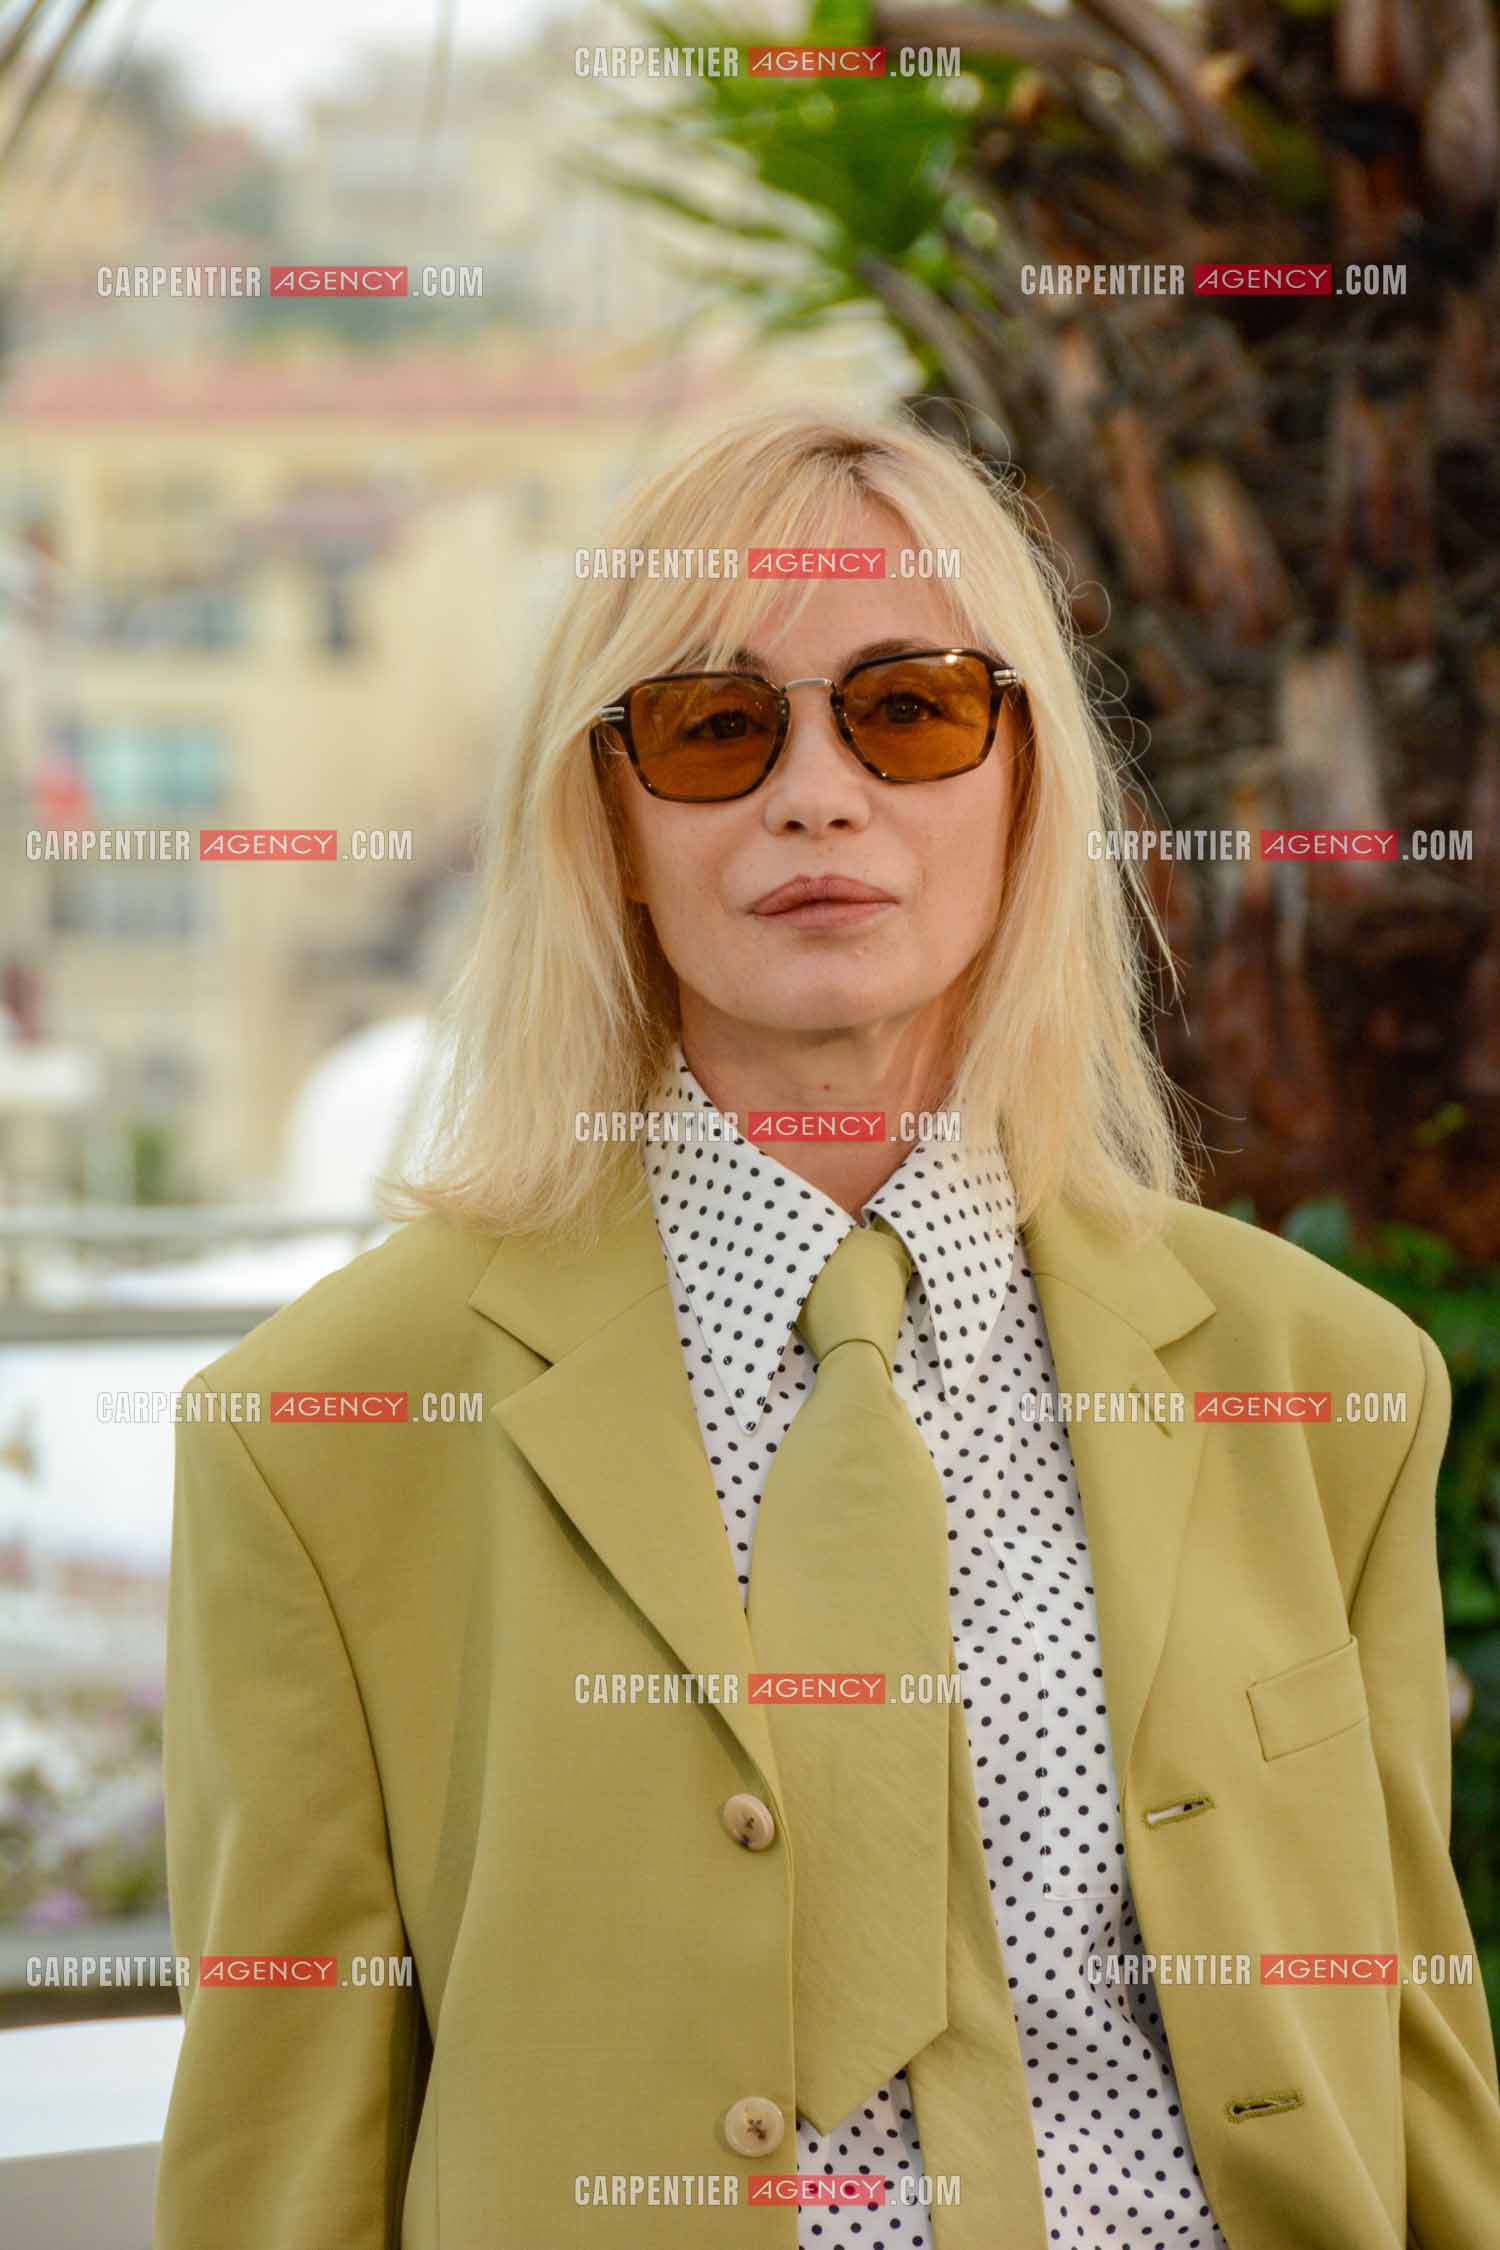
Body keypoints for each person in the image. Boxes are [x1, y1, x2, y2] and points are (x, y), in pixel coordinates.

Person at [154, 404, 1500, 2250]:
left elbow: (1417, 2054)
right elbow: (281, 2156)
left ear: (1024, 785)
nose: (817, 794)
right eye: (715, 726)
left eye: (912, 706)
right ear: (609, 822)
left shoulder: (1327, 1384)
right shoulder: (322, 1439)